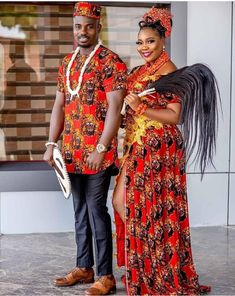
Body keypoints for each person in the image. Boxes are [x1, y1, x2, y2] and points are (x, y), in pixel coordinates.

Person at [113, 6, 219, 296]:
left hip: (159, 146)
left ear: (163, 41)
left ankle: (157, 270)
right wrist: (126, 114)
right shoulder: (140, 72)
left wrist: (141, 107)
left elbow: (176, 116)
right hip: (137, 144)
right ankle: (147, 266)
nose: (143, 47)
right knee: (124, 202)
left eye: (149, 41)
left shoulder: (170, 71)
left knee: (150, 209)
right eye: (139, 42)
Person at [43, 2, 127, 295]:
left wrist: (102, 148)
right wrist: (51, 143)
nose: (83, 31)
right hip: (71, 153)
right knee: (79, 211)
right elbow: (59, 105)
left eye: (89, 26)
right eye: (78, 26)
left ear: (98, 28)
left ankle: (105, 275)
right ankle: (84, 267)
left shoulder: (111, 62)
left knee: (96, 211)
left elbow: (116, 109)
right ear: (74, 27)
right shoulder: (67, 63)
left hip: (97, 155)